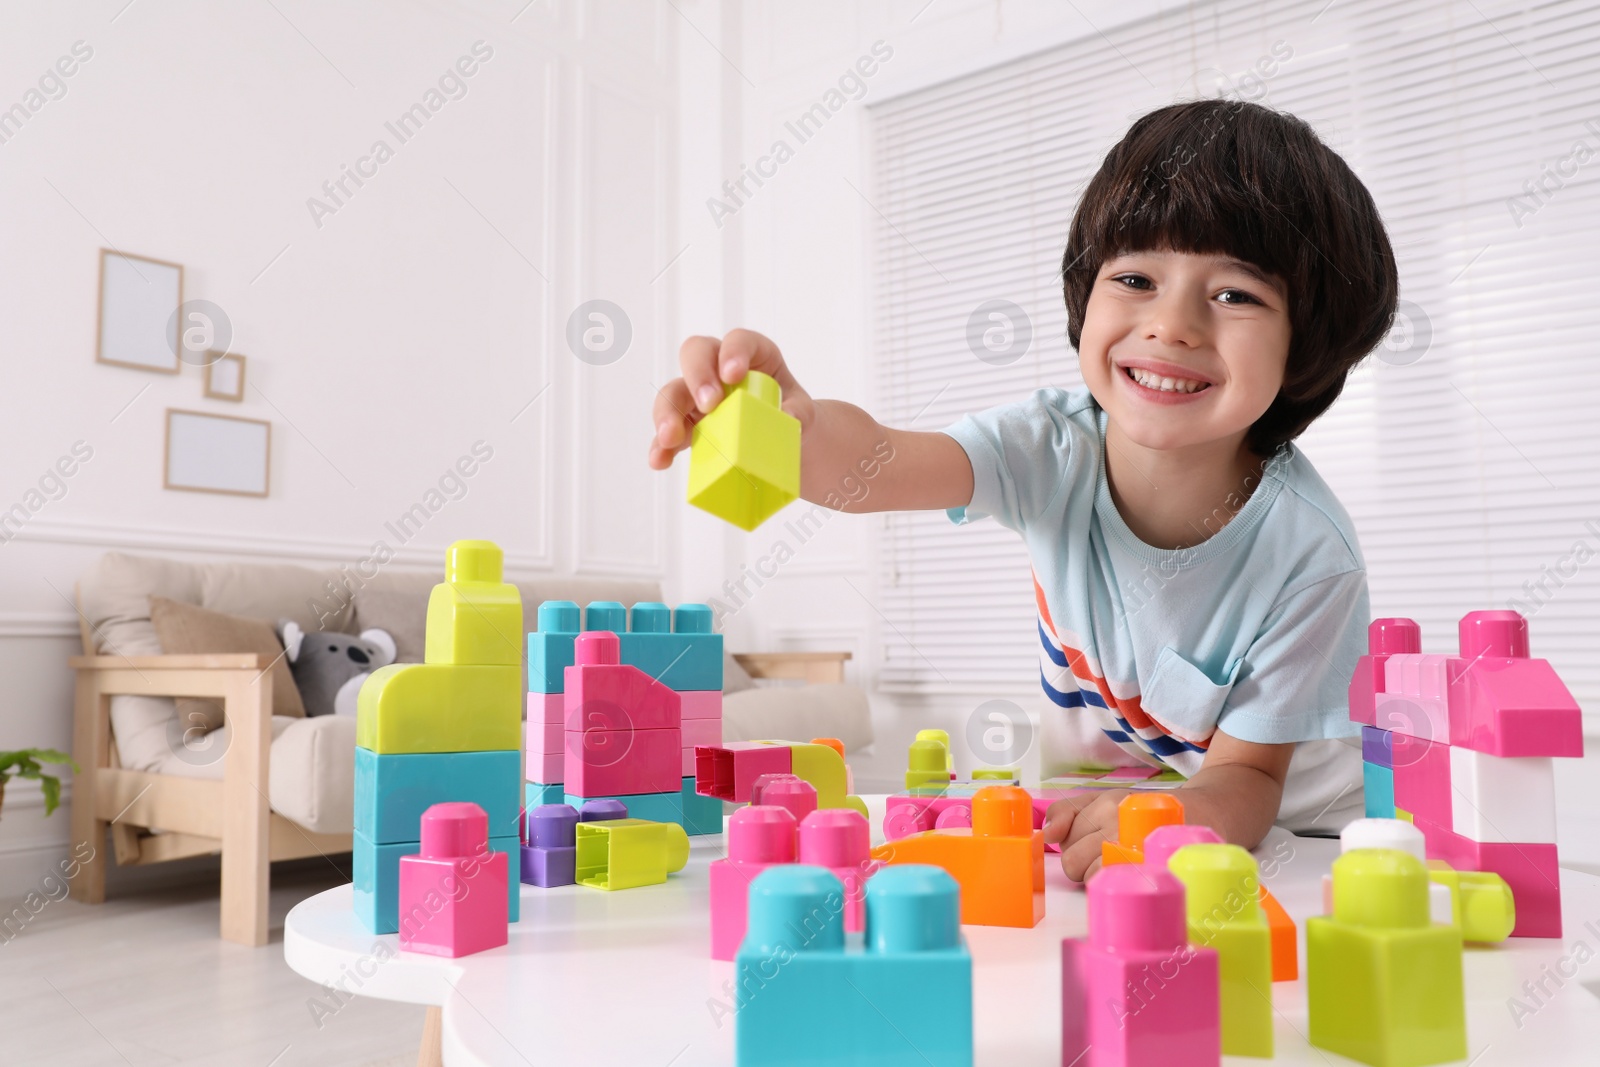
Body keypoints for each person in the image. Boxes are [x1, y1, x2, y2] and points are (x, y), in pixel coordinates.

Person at [648, 98, 1399, 880]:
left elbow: (1247, 782)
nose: (1172, 324)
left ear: (1303, 345)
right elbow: (874, 461)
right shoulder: (1051, 445)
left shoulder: (1310, 554)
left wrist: (1159, 819)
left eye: (1235, 294)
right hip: (1142, 798)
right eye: (1136, 277)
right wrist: (789, 430)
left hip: (1303, 834)